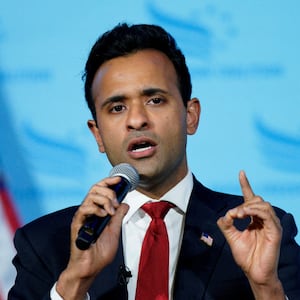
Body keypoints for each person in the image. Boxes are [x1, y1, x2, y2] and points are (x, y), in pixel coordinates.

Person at [8, 23, 300, 300]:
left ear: (190, 115)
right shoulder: (46, 244)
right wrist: (75, 281)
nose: (136, 120)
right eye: (117, 107)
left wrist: (267, 288)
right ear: (97, 134)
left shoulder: (258, 230)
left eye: (155, 100)